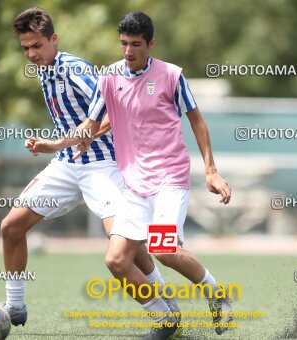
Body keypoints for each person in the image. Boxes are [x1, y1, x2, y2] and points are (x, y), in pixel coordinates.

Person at [63, 11, 234, 339]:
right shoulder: (110, 76)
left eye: (136, 45)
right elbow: (96, 122)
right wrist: (67, 141)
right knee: (116, 260)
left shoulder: (170, 75)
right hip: (135, 182)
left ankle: (217, 294)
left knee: (163, 249)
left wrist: (211, 171)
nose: (128, 51)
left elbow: (197, 121)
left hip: (170, 177)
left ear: (151, 44)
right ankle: (166, 320)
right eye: (124, 43)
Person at [3, 7, 174, 327]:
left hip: (102, 166)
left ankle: (165, 313)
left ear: (53, 40)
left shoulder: (73, 69)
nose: (31, 53)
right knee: (11, 227)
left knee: (126, 247)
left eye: (37, 46)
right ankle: (14, 306)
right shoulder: (43, 69)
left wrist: (73, 138)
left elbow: (114, 109)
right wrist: (58, 145)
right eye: (25, 47)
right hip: (67, 166)